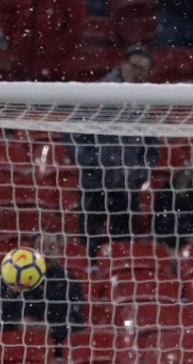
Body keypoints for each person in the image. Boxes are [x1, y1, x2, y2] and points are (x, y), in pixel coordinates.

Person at [67, 46, 160, 257]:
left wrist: (139, 172)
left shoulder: (145, 103)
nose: (137, 73)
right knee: (90, 236)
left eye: (143, 69)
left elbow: (151, 146)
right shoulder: (98, 94)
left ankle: (119, 276)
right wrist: (92, 162)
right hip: (95, 181)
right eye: (135, 66)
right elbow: (74, 134)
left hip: (126, 184)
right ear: (123, 64)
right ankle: (91, 272)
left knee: (123, 241)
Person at [0, 230, 85, 348]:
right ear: (32, 250)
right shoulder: (9, 276)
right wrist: (17, 323)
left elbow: (76, 323)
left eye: (52, 247)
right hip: (10, 345)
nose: (46, 252)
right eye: (40, 247)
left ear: (60, 251)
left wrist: (52, 329)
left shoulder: (69, 282)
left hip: (54, 349)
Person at [0, 0, 87, 81]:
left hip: (58, 69)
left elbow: (76, 23)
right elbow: (6, 18)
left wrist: (58, 47)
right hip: (24, 67)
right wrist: (18, 41)